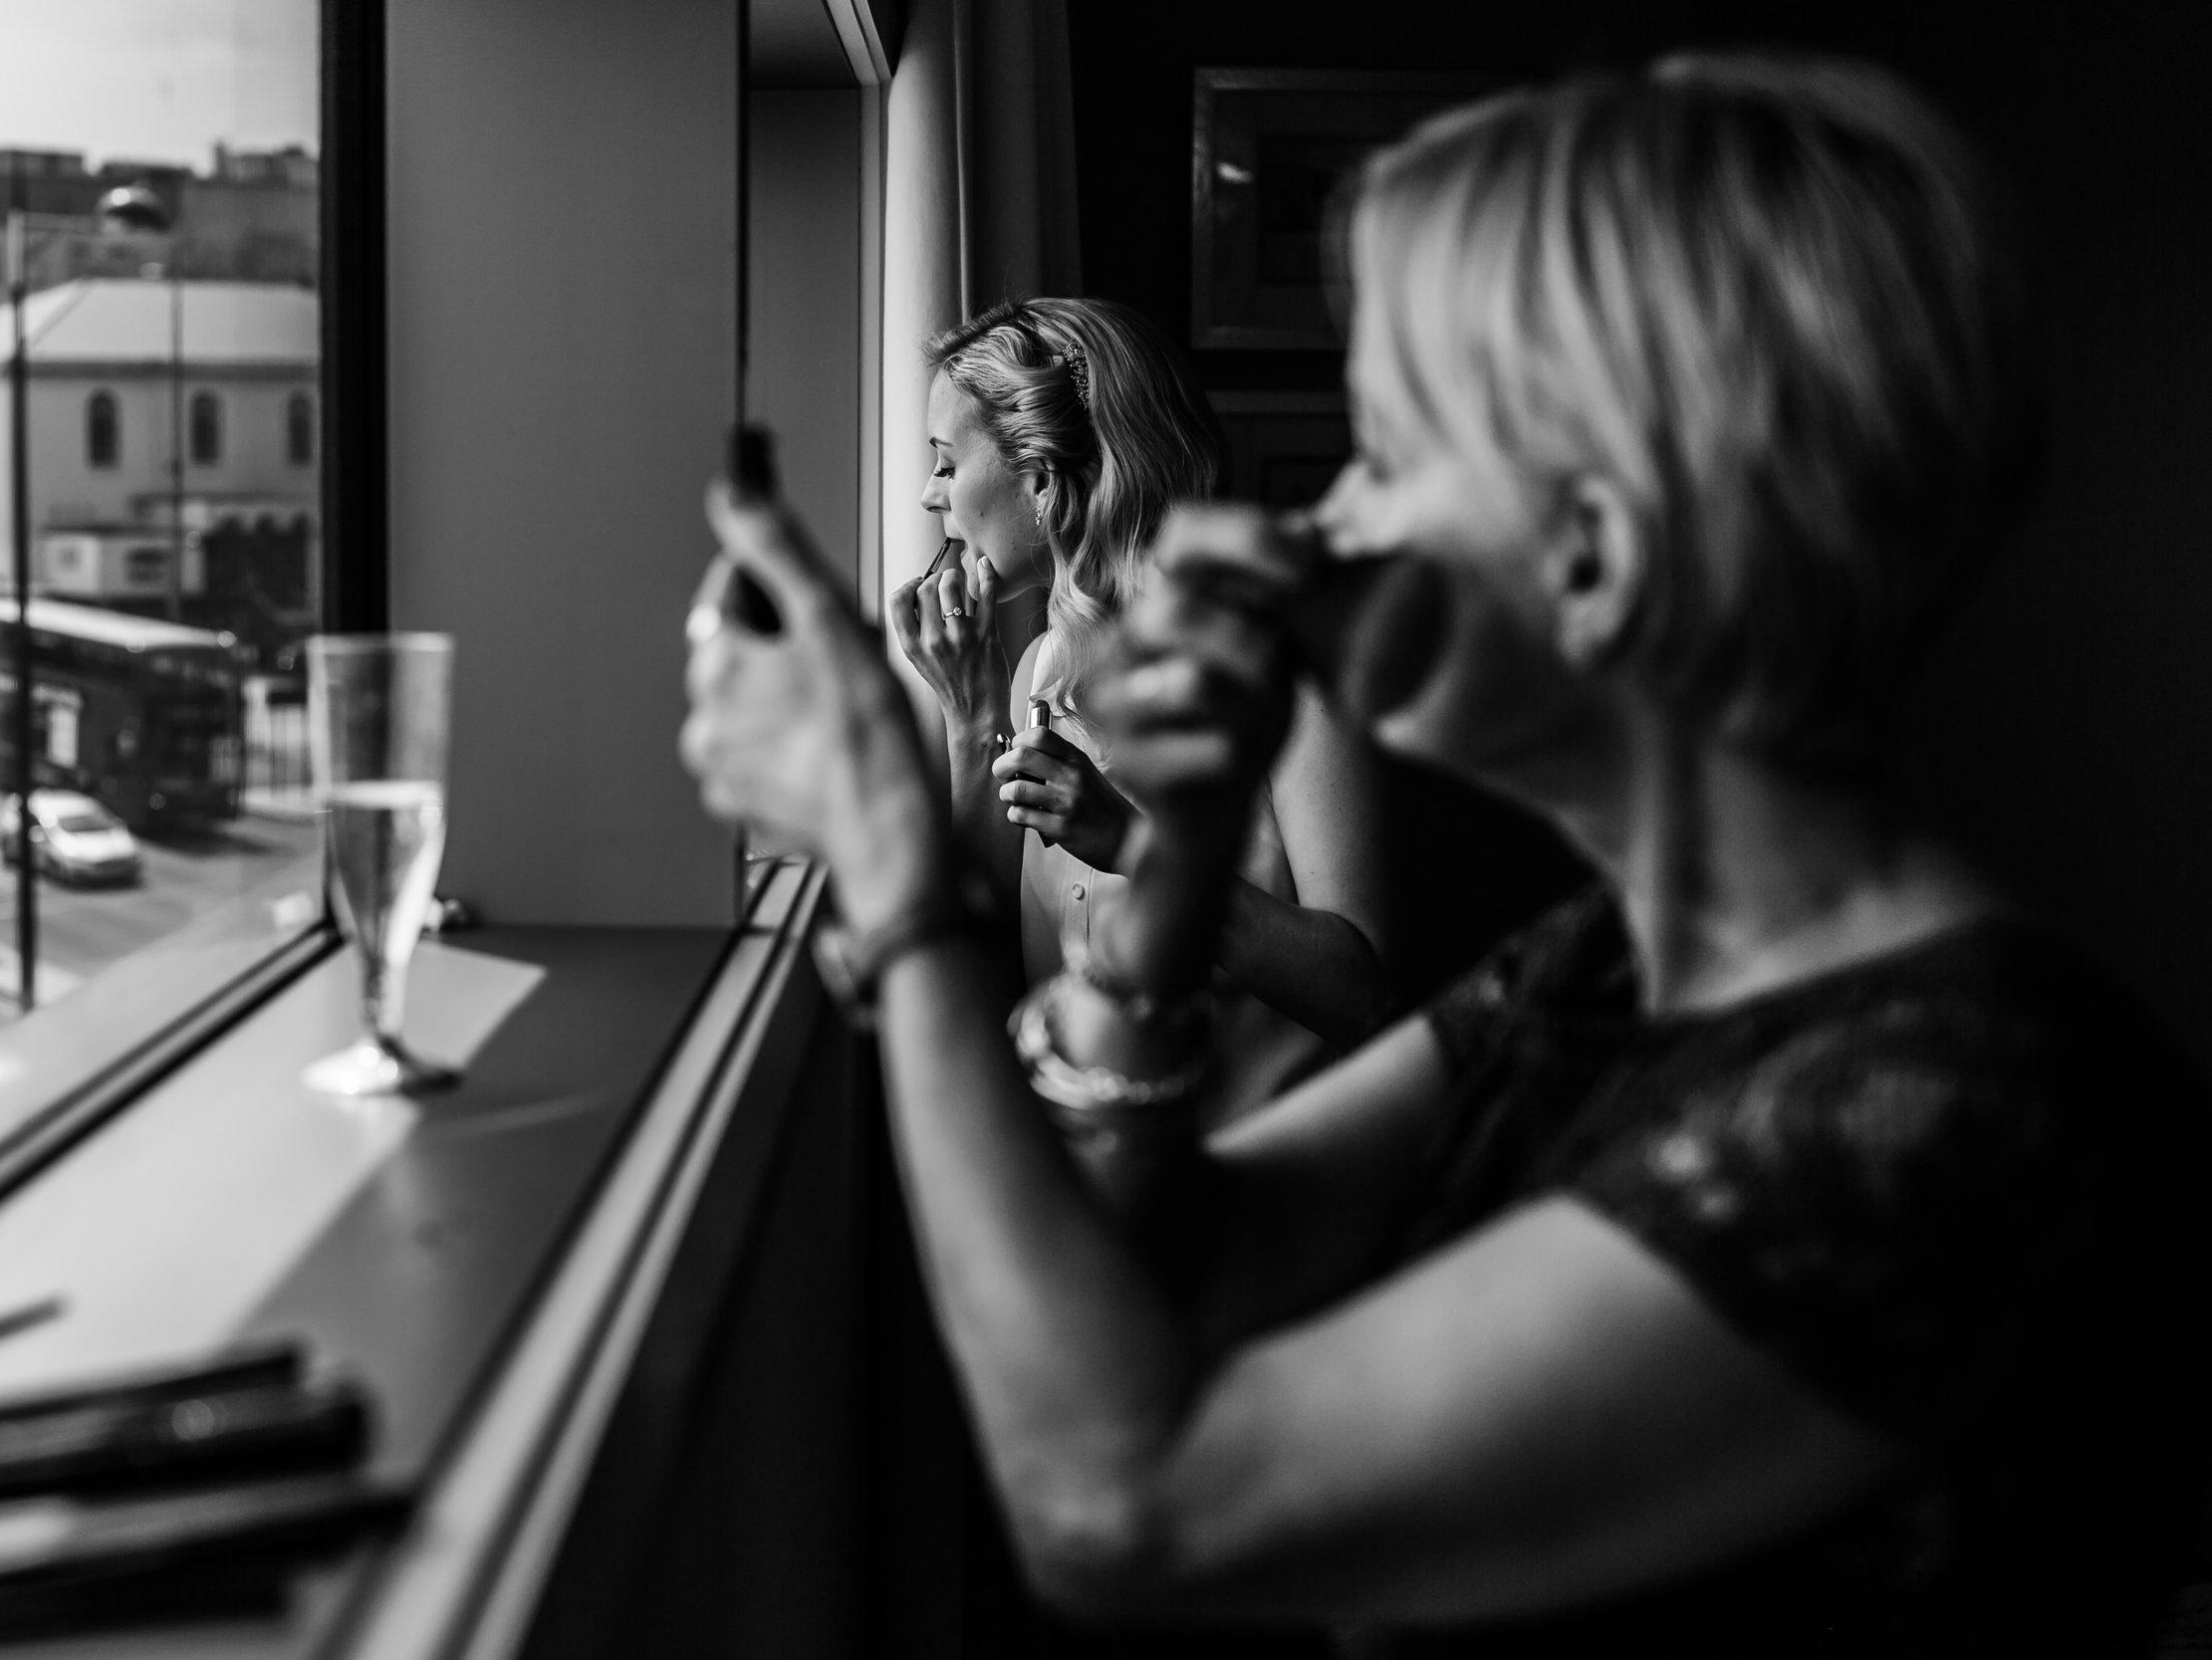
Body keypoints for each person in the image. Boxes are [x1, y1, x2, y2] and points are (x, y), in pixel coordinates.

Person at [680, 52, 2212, 1656]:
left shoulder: (1955, 1113)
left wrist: (899, 887)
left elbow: (1122, 1503)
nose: (1327, 516)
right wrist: (1165, 899)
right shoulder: (1603, 972)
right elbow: (1170, 1282)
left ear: (1596, 560)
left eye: (1392, 449)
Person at [890, 298, 1396, 1100]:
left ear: (1045, 478)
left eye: (948, 462)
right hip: (1097, 1186)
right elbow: (984, 973)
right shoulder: (1036, 676)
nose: (928, 494)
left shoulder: (1289, 671)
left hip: (1276, 1184)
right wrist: (971, 716)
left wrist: (1133, 843)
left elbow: (1370, 998)